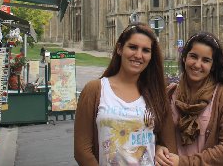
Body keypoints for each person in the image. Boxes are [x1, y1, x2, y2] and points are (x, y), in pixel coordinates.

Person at [75, 23, 176, 166]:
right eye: (133, 47)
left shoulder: (157, 94)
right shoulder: (96, 90)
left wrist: (160, 148)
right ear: (120, 48)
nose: (138, 55)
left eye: (146, 50)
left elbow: (170, 148)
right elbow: (82, 150)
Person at [155, 32, 223, 166]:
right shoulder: (169, 94)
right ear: (184, 58)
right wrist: (157, 148)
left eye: (206, 60)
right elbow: (153, 133)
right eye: (193, 56)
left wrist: (183, 163)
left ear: (213, 65)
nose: (197, 65)